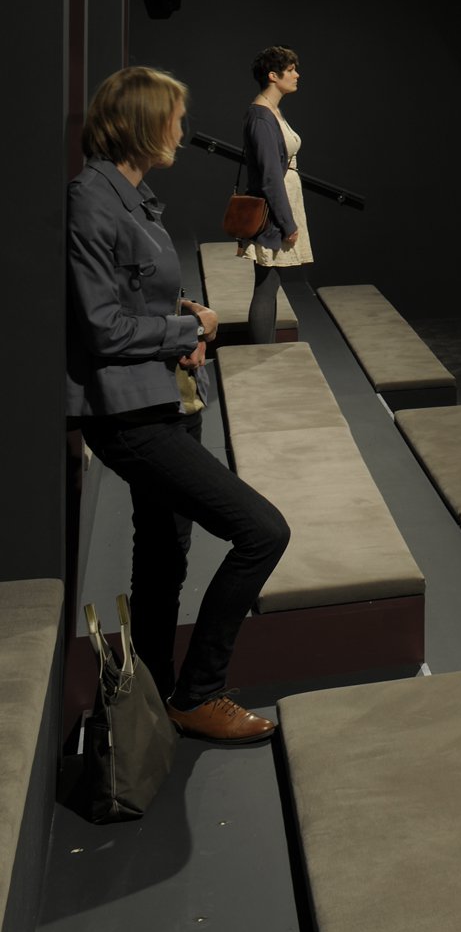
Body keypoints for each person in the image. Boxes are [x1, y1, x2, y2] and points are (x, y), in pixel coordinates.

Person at [68, 67, 290, 743]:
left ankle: (152, 695)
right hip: (131, 414)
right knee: (263, 531)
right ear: (140, 123)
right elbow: (101, 327)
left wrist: (180, 313)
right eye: (173, 118)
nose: (181, 130)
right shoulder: (93, 200)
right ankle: (198, 693)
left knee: (164, 554)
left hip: (166, 398)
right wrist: (182, 329)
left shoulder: (131, 195)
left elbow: (134, 295)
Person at [241, 45, 312, 345]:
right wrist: (287, 223)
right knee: (267, 283)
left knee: (270, 283)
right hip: (273, 213)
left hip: (280, 207)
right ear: (273, 75)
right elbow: (270, 177)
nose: (297, 75)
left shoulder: (272, 111)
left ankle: (264, 349)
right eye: (291, 70)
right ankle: (261, 352)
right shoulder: (261, 117)